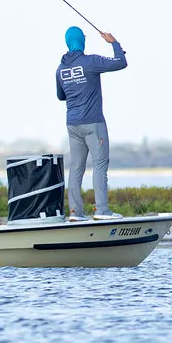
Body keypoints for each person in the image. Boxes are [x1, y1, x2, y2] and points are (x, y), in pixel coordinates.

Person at [55, 26, 127, 221]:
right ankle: (102, 210)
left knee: (76, 168)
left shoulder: (60, 69)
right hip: (93, 123)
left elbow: (61, 95)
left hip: (73, 124)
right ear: (81, 41)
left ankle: (75, 213)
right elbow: (121, 62)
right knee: (100, 165)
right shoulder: (91, 62)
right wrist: (114, 43)